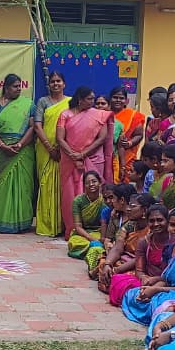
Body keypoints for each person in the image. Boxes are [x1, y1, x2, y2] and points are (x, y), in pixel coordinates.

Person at [57, 87, 112, 237]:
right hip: (69, 161)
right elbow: (60, 138)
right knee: (70, 195)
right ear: (80, 100)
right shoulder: (65, 115)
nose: (93, 102)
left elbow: (102, 138)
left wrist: (82, 154)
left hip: (93, 159)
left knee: (94, 189)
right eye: (89, 99)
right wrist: (73, 155)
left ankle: (98, 229)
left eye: (93, 98)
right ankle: (73, 229)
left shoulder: (99, 115)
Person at [0, 74, 37, 234]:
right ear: (6, 88)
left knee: (23, 186)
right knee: (2, 186)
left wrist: (20, 144)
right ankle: (2, 221)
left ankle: (23, 223)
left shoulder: (28, 104)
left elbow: (33, 127)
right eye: (15, 86)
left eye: (20, 86)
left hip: (23, 150)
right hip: (1, 152)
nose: (19, 89)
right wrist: (2, 146)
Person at [35, 71, 70, 236]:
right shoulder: (43, 101)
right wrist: (50, 148)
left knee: (63, 187)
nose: (55, 84)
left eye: (58, 81)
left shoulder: (70, 102)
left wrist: (63, 147)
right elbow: (37, 126)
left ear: (64, 84)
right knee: (45, 185)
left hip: (65, 150)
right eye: (52, 81)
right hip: (45, 149)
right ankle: (47, 224)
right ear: (48, 85)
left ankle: (62, 225)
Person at [66, 170, 106, 260]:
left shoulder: (105, 200)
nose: (91, 184)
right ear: (84, 185)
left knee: (103, 241)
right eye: (87, 183)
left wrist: (102, 238)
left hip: (100, 232)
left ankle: (95, 249)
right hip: (83, 233)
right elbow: (78, 226)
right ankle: (97, 249)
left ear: (100, 183)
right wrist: (91, 238)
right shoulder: (78, 201)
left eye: (94, 181)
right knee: (75, 242)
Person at [109, 87, 146, 183]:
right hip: (107, 156)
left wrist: (129, 143)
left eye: (121, 98)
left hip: (126, 156)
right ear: (110, 99)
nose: (118, 100)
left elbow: (139, 135)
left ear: (126, 101)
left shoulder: (133, 116)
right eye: (115, 97)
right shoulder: (105, 114)